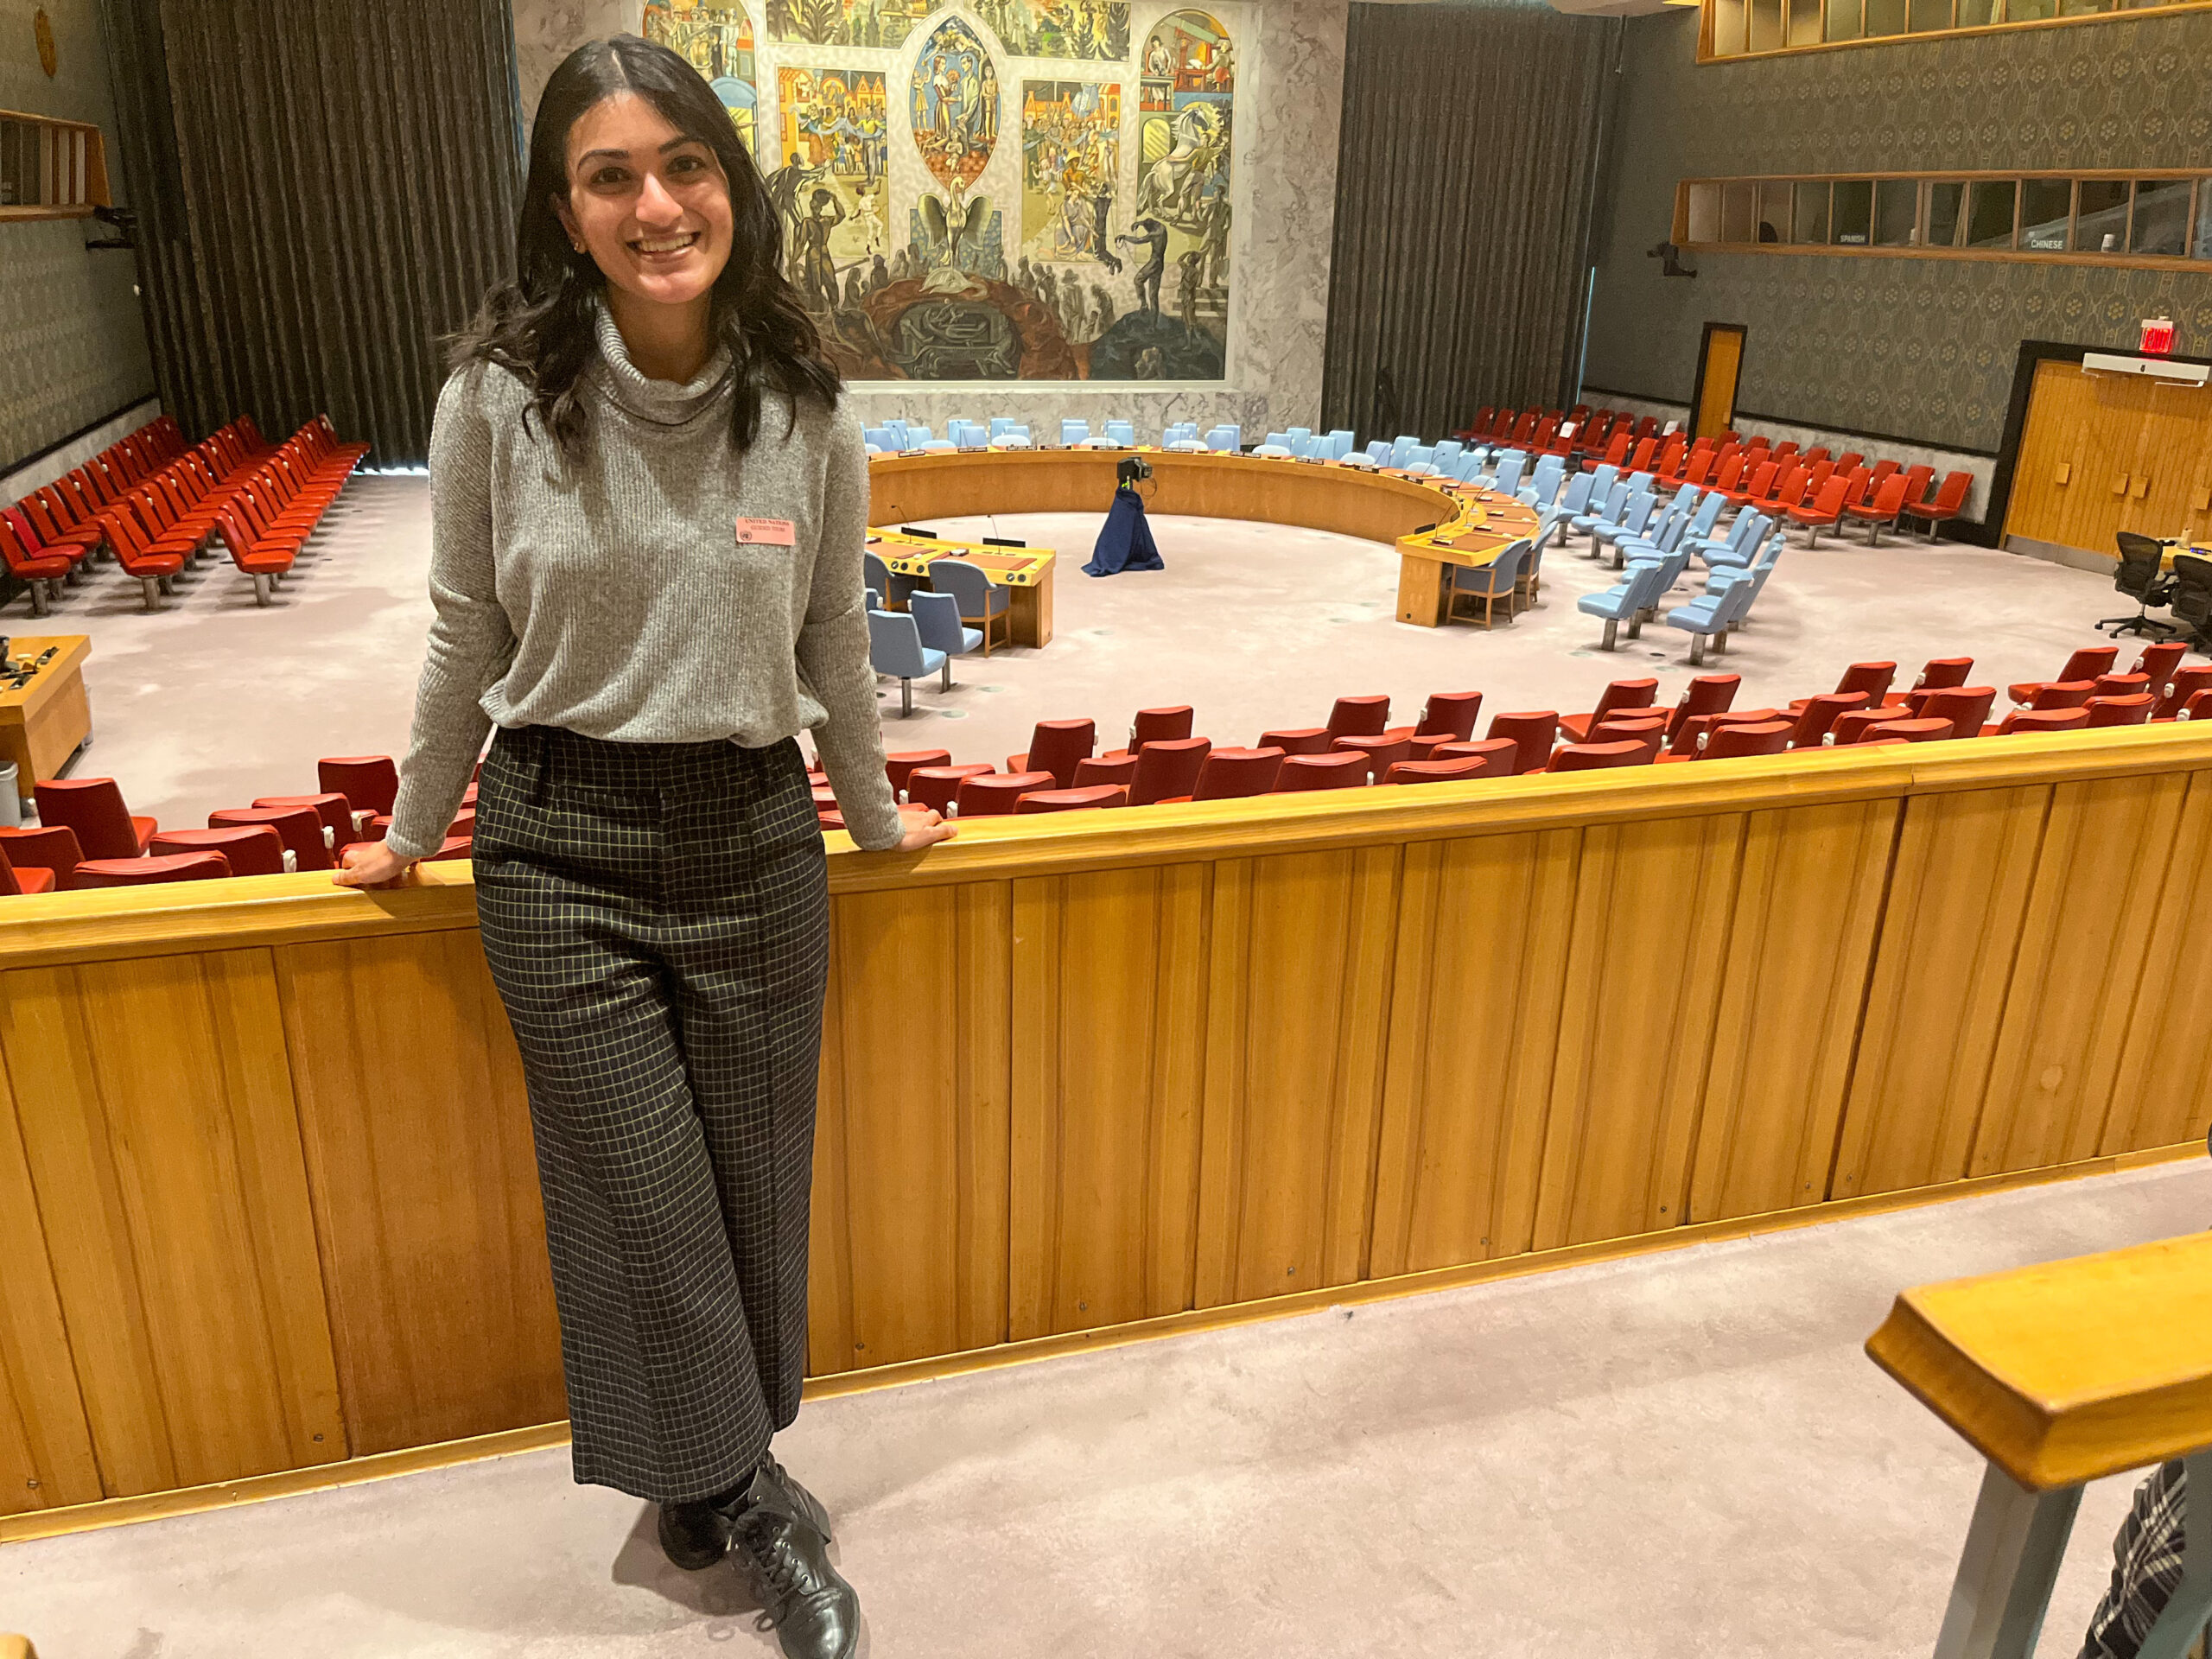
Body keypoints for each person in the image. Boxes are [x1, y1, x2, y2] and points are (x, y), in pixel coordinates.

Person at [334, 35, 953, 1659]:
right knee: (652, 1204)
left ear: (730, 187)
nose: (657, 205)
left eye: (684, 168)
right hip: (561, 851)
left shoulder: (804, 404)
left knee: (755, 1194)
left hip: (758, 842)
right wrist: (409, 830)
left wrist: (883, 819)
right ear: (564, 208)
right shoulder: (496, 402)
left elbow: (834, 641)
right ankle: (756, 1508)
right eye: (611, 177)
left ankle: (696, 1474)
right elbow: (464, 630)